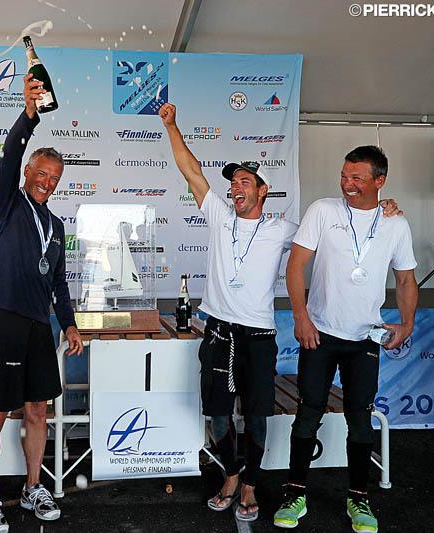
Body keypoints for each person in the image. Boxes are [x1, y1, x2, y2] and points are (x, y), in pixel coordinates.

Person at [159, 102, 297, 522]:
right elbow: (191, 170)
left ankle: (252, 484)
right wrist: (171, 125)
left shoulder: (282, 229)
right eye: (233, 182)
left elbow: (329, 238)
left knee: (256, 415)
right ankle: (232, 474)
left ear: (262, 191)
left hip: (258, 337)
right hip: (218, 332)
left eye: (245, 181)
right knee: (218, 414)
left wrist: (381, 211)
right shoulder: (219, 216)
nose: (236, 187)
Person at [274, 145, 418, 533]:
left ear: (379, 181)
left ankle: (359, 499)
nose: (347, 184)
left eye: (356, 178)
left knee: (360, 421)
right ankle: (295, 492)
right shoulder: (323, 211)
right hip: (318, 333)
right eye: (344, 175)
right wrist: (300, 317)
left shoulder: (395, 223)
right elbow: (296, 264)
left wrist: (407, 324)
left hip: (364, 339)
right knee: (308, 414)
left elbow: (405, 278)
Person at [0, 73, 83, 533]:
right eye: (41, 174)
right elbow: (11, 153)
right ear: (26, 174)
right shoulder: (8, 202)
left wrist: (70, 324)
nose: (47, 182)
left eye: (54, 178)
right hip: (2, 319)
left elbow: (58, 280)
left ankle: (33, 487)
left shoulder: (56, 225)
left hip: (40, 326)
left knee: (38, 409)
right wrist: (29, 116)